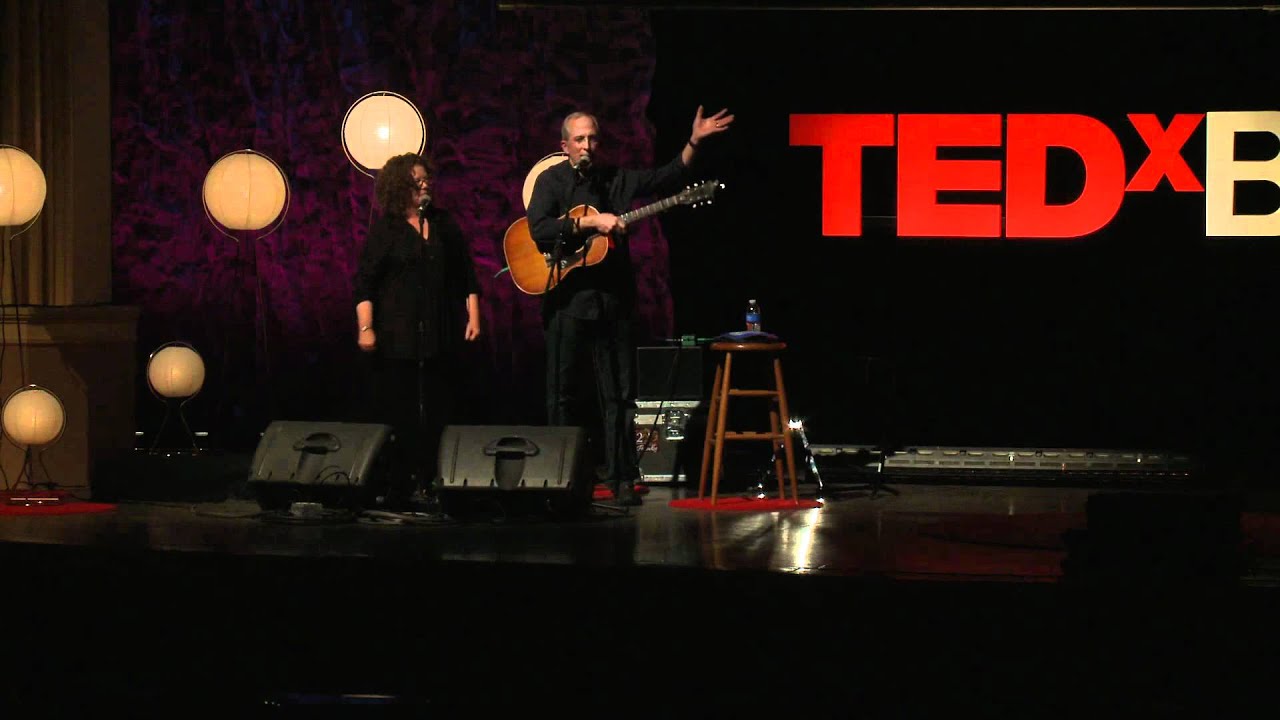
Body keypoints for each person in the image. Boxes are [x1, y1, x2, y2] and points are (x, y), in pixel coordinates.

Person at [526, 106, 733, 505]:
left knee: (619, 395)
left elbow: (668, 176)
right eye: (579, 139)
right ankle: (558, 478)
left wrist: (694, 143)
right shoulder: (551, 181)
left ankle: (622, 477)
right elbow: (538, 228)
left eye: (592, 139)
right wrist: (589, 223)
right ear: (565, 145)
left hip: (612, 301)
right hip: (567, 301)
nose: (587, 146)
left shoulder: (614, 179)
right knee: (561, 394)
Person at [353, 153, 482, 509]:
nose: (425, 186)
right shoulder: (387, 229)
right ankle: (400, 480)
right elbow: (364, 283)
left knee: (439, 406)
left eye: (427, 180)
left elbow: (465, 275)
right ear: (400, 186)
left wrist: (474, 316)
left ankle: (435, 478)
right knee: (401, 410)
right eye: (417, 181)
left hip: (438, 331)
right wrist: (366, 328)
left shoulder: (443, 224)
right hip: (396, 333)